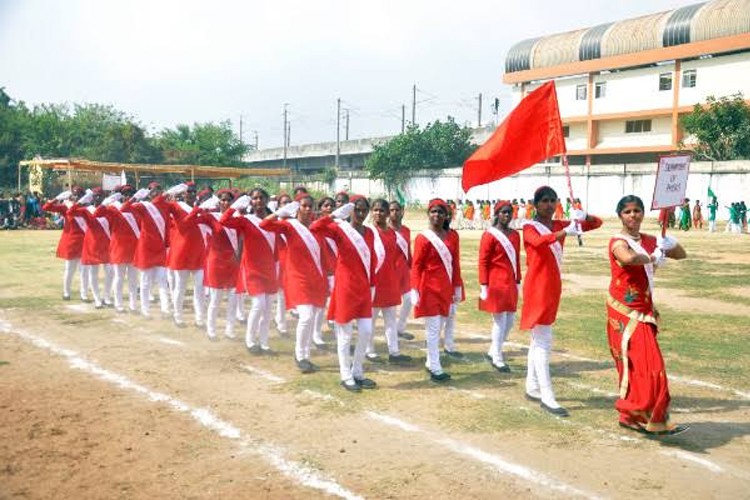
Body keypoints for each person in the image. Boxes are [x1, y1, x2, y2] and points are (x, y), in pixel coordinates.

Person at [607, 195, 689, 436]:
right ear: (620, 215)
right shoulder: (618, 241)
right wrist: (653, 257)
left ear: (643, 214)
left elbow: (681, 254)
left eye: (637, 211)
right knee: (649, 364)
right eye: (628, 212)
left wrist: (668, 242)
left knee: (638, 366)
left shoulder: (651, 240)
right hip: (624, 312)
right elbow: (629, 258)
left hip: (645, 310)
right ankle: (654, 418)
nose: (633, 215)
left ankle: (631, 416)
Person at [521, 186, 602, 416]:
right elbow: (538, 242)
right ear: (535, 205)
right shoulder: (529, 227)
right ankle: (547, 395)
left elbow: (597, 224)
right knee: (544, 340)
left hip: (553, 287)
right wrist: (566, 232)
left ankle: (532, 385)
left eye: (552, 201)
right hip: (537, 288)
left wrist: (582, 216)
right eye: (544, 201)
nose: (548, 205)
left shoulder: (560, 224)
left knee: (537, 339)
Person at [311, 195, 378, 392]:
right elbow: (315, 228)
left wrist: (372, 286)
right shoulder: (340, 228)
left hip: (364, 289)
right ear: (349, 210)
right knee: (345, 335)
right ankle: (345, 374)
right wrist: (332, 216)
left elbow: (372, 260)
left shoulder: (370, 233)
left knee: (366, 331)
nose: (360, 213)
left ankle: (357, 371)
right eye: (356, 209)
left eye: (364, 209)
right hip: (345, 287)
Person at [261, 193, 329, 373]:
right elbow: (264, 224)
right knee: (306, 316)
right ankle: (300, 355)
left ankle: (306, 354)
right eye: (304, 206)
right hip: (298, 278)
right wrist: (279, 212)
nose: (307, 209)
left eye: (310, 206)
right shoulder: (290, 226)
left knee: (312, 316)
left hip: (317, 279)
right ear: (297, 208)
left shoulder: (316, 229)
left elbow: (323, 256)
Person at [411, 198, 464, 382]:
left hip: (446, 288)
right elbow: (416, 265)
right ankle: (435, 366)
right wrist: (414, 289)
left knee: (440, 325)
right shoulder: (423, 238)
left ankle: (429, 361)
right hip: (429, 288)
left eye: (440, 212)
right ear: (428, 214)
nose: (437, 215)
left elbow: (455, 263)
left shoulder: (452, 236)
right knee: (433, 329)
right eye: (433, 211)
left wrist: (457, 286)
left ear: (446, 215)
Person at [220, 188, 279, 352]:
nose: (258, 201)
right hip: (253, 269)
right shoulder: (246, 220)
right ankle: (250, 341)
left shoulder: (273, 221)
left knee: (268, 308)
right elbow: (224, 221)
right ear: (250, 201)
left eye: (261, 198)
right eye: (255, 198)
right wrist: (234, 207)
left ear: (267, 200)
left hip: (269, 269)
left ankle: (264, 342)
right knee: (258, 304)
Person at [366, 199, 411, 363]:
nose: (378, 213)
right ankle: (369, 350)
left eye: (382, 210)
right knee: (370, 319)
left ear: (387, 213)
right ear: (371, 212)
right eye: (375, 210)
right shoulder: (368, 232)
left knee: (390, 319)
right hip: (374, 282)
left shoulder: (392, 233)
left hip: (389, 281)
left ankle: (394, 352)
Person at [478, 200, 521, 373]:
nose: (507, 215)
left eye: (509, 212)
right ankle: (497, 357)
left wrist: (518, 280)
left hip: (510, 283)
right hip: (495, 283)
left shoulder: (516, 235)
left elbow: (516, 258)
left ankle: (492, 350)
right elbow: (483, 261)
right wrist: (483, 285)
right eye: (503, 212)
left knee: (510, 320)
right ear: (497, 214)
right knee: (499, 320)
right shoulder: (490, 235)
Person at [122, 182, 172, 318]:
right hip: (146, 248)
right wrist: (135, 198)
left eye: (156, 190)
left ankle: (165, 309)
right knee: (145, 281)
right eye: (150, 190)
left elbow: (167, 226)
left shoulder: (166, 206)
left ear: (160, 191)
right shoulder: (144, 206)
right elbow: (124, 209)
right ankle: (145, 310)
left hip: (160, 249)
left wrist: (167, 245)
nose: (153, 192)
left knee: (162, 280)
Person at [164, 182, 208, 327]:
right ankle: (178, 316)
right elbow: (182, 225)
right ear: (183, 193)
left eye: (194, 191)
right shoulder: (176, 206)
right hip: (182, 251)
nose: (191, 194)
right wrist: (169, 193)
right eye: (189, 191)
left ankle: (200, 318)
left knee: (200, 289)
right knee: (180, 287)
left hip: (198, 252)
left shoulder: (201, 209)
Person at [198, 189, 241, 340]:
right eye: (222, 200)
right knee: (215, 299)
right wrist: (202, 206)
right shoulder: (211, 217)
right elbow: (194, 219)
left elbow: (241, 239)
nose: (225, 203)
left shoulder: (238, 217)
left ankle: (230, 329)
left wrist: (240, 258)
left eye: (229, 200)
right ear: (218, 202)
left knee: (233, 299)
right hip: (216, 262)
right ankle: (211, 330)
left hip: (233, 262)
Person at [98, 185, 140, 313]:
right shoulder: (113, 209)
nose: (128, 197)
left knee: (133, 280)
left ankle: (133, 304)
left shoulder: (139, 209)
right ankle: (118, 303)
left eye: (131, 194)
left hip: (134, 248)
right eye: (125, 194)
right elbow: (97, 214)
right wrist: (104, 203)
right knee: (119, 278)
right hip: (119, 248)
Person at [42, 186, 87, 301]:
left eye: (79, 195)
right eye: (74, 194)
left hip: (84, 243)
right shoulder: (66, 207)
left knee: (84, 271)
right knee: (69, 270)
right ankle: (66, 292)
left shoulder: (87, 208)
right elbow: (46, 207)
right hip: (71, 242)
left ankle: (84, 294)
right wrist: (57, 198)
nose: (76, 197)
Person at [71, 187, 114, 309]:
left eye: (100, 195)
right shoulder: (87, 210)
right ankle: (97, 299)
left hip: (106, 245)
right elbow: (71, 212)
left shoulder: (109, 210)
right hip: (92, 245)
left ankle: (106, 296)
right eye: (95, 195)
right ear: (92, 197)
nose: (98, 197)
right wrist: (80, 201)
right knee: (93, 273)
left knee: (110, 273)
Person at [389, 200, 415, 341]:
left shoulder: (406, 230)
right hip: (390, 271)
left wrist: (411, 267)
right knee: (391, 306)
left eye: (397, 210)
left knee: (409, 299)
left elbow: (408, 252)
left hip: (404, 270)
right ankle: (392, 333)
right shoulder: (385, 230)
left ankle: (400, 328)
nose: (394, 213)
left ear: (401, 211)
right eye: (391, 210)